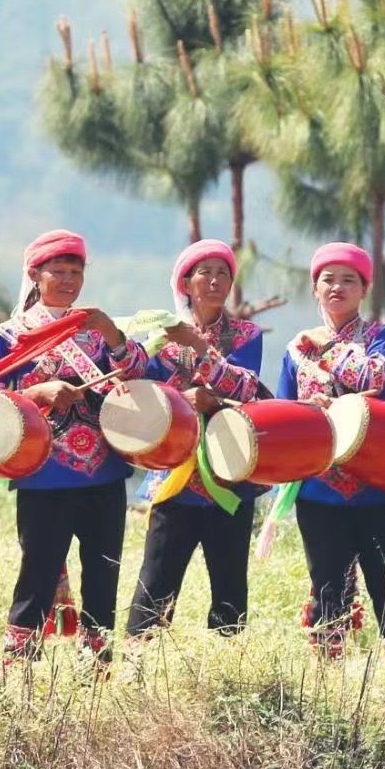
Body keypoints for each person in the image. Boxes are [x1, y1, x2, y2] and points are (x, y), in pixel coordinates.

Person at [0, 229, 146, 662]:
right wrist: (38, 394)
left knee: (103, 574)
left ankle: (96, 669)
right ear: (35, 275)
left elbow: (140, 377)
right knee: (36, 573)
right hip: (43, 473)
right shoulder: (11, 334)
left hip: (103, 471)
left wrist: (113, 333)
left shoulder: (95, 328)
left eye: (76, 271)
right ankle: (20, 667)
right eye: (58, 271)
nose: (69, 279)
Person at [277, 242, 385, 658]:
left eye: (348, 280)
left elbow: (375, 374)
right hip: (320, 490)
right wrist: (309, 410)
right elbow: (286, 413)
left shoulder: (384, 336)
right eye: (328, 280)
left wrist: (327, 348)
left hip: (377, 484)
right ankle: (327, 681)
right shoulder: (295, 349)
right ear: (315, 288)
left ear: (364, 289)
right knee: (328, 587)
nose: (337, 287)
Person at [125, 238, 265, 638]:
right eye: (205, 272)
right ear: (186, 282)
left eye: (224, 273)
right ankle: (140, 665)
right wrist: (180, 401)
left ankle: (227, 666)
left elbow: (246, 388)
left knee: (230, 586)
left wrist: (200, 351)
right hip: (174, 478)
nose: (216, 280)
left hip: (230, 473)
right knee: (155, 582)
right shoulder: (160, 335)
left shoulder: (245, 334)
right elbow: (143, 389)